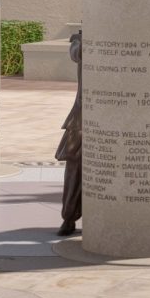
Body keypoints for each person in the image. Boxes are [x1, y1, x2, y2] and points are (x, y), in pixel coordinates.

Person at [55, 32, 83, 236]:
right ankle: (69, 216)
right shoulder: (80, 42)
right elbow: (76, 52)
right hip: (82, 115)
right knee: (74, 168)